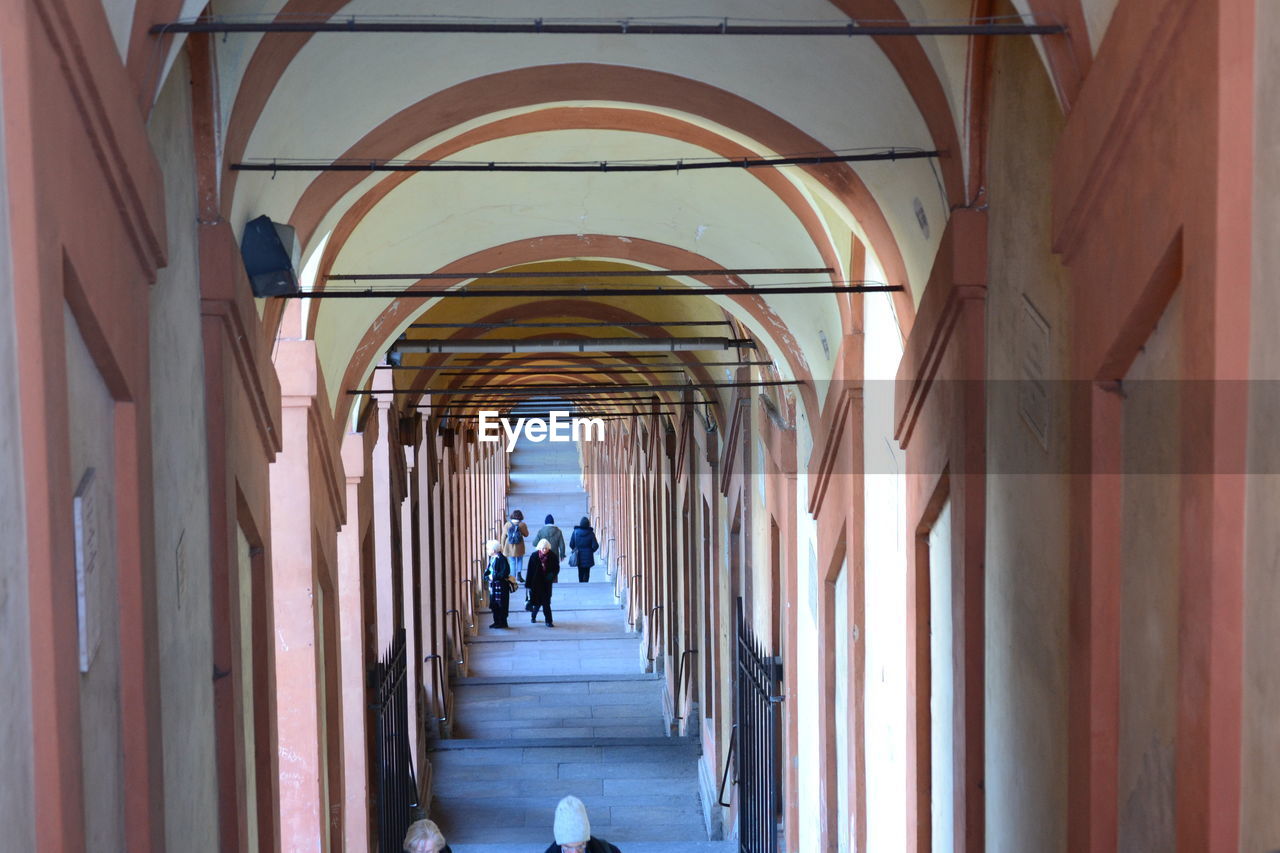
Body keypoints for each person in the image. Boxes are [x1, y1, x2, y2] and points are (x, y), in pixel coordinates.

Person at [543, 795, 621, 853]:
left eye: (580, 846)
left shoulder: (609, 851)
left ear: (586, 840)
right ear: (560, 844)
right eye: (567, 848)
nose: (575, 852)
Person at [526, 538, 560, 627]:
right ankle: (533, 616)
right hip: (535, 584)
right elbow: (530, 571)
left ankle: (548, 621)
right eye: (543, 548)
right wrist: (528, 584)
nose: (544, 550)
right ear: (539, 548)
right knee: (537, 604)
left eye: (546, 548)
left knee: (546, 603)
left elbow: (556, 568)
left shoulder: (552, 556)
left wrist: (552, 575)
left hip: (546, 584)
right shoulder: (534, 556)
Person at [483, 538, 512, 629]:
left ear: (494, 550)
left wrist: (493, 577)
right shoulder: (493, 558)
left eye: (488, 549)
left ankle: (502, 622)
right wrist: (487, 576)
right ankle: (496, 621)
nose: (487, 550)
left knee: (501, 604)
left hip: (501, 586)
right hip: (494, 586)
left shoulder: (501, 559)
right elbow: (489, 570)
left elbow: (505, 572)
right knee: (494, 604)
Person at [568, 516, 601, 583]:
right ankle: (586, 583)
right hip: (588, 555)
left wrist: (575, 549)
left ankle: (581, 583)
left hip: (578, 555)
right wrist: (591, 551)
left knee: (580, 570)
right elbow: (596, 545)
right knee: (587, 571)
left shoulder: (575, 532)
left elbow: (571, 544)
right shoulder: (591, 533)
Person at [503, 509, 529, 581]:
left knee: (512, 561)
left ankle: (512, 577)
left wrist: (502, 546)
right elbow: (526, 534)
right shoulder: (522, 525)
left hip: (509, 546)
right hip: (519, 546)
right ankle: (519, 574)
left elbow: (503, 536)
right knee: (520, 560)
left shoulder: (507, 524)